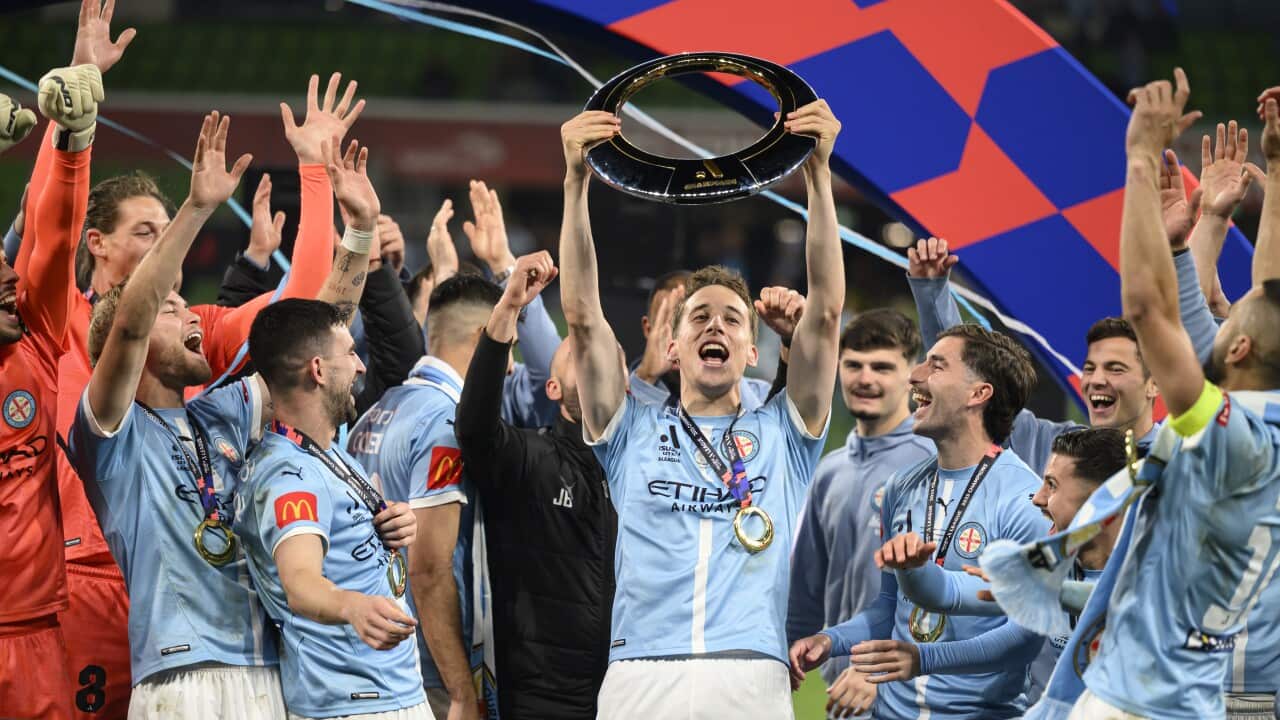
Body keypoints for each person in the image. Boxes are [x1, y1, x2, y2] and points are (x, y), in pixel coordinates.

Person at [49, 67, 364, 718]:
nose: (194, 315)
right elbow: (130, 323)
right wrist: (195, 209)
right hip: (180, 679)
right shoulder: (109, 434)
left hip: (268, 670)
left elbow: (316, 323)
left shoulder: (224, 411)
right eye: (173, 310)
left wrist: (350, 223)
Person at [559, 99, 844, 718]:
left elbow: (824, 314)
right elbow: (582, 316)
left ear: (750, 351)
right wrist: (575, 180)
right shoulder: (628, 427)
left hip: (750, 674)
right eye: (699, 318)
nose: (714, 326)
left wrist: (819, 174)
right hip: (640, 674)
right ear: (672, 346)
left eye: (731, 320)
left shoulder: (786, 433)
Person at [1065, 68, 1280, 720]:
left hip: (1154, 695)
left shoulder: (1228, 435)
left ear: (1237, 349)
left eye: (1225, 313)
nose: (1216, 311)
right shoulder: (1260, 423)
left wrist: (1137, 157)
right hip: (1214, 690)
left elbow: (1148, 309)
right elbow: (1269, 297)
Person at [790, 324, 1047, 719]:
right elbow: (888, 610)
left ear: (978, 394)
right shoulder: (902, 487)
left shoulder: (1022, 499)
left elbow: (1025, 636)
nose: (915, 375)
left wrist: (924, 659)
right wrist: (832, 639)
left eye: (937, 365)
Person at [841, 429, 1127, 720]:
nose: (1038, 499)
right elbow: (951, 594)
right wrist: (914, 569)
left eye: (1052, 486)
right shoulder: (1057, 564)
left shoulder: (1153, 568)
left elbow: (1129, 605)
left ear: (1101, 502)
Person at [236, 296, 426, 720]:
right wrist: (350, 606)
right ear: (318, 370)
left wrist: (393, 523)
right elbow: (300, 580)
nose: (360, 367)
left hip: (383, 691)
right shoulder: (289, 475)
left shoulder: (324, 454)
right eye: (352, 354)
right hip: (354, 703)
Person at [450, 251, 616, 719]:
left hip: (627, 698)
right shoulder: (531, 458)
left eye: (602, 353)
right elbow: (476, 428)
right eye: (576, 353)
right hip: (540, 703)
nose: (591, 359)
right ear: (553, 388)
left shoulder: (644, 470)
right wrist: (506, 311)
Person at [349, 271, 520, 720]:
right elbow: (427, 568)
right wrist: (462, 689)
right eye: (510, 346)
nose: (512, 365)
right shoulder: (445, 422)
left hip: (371, 662)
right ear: (488, 338)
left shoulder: (376, 412)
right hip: (427, 673)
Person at [0, 69, 87, 719]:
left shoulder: (34, 345)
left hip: (33, 635)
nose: (11, 282)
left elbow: (51, 236)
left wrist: (73, 139)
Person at [786, 309, 935, 687]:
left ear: (911, 374)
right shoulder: (829, 471)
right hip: (842, 691)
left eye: (882, 367)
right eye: (854, 365)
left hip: (914, 690)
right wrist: (785, 652)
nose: (865, 379)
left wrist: (877, 668)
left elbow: (947, 589)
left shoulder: (933, 462)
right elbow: (806, 590)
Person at [629, 270, 791, 410]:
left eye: (699, 318)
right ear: (649, 330)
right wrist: (645, 378)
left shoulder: (762, 397)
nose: (677, 336)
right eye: (667, 325)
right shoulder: (616, 399)